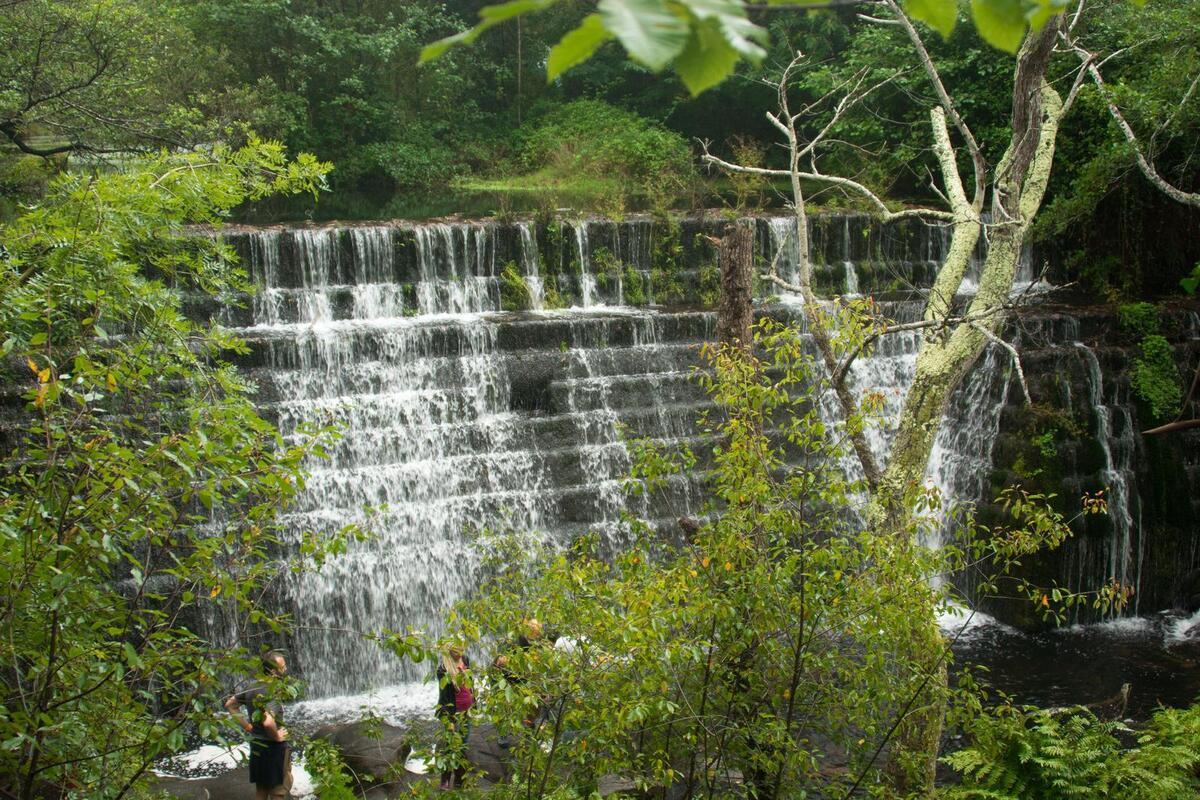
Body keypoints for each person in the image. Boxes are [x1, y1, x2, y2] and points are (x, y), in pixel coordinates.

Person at [225, 650, 292, 800]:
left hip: (256, 746)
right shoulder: (272, 692)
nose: (286, 669)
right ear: (273, 671)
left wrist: (247, 727)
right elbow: (268, 722)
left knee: (261, 790)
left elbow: (230, 704)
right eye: (283, 667)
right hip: (273, 749)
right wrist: (277, 737)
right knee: (278, 792)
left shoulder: (252, 686)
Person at [436, 644, 473, 790]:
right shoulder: (443, 670)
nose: (460, 654)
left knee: (462, 746)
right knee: (450, 746)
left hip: (466, 711)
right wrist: (449, 720)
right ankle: (445, 779)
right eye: (457, 652)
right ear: (450, 652)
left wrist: (474, 702)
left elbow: (470, 685)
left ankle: (459, 778)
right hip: (452, 713)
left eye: (461, 650)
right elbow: (444, 697)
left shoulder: (465, 660)